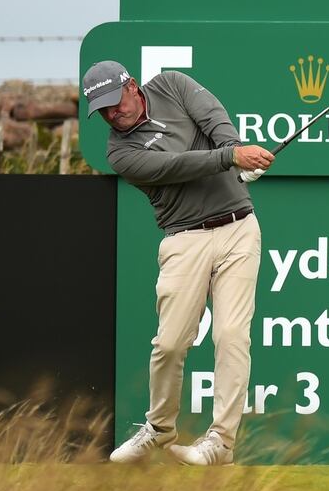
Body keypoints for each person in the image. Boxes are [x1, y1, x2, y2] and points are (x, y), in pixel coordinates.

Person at [82, 60, 275, 465]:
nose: (112, 115)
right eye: (102, 111)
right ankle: (159, 428)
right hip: (184, 239)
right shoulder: (120, 152)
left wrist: (235, 149)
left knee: (232, 336)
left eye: (114, 103)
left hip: (239, 228)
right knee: (170, 344)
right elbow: (175, 166)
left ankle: (220, 444)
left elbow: (213, 116)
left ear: (132, 86)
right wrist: (231, 158)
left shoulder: (171, 83)